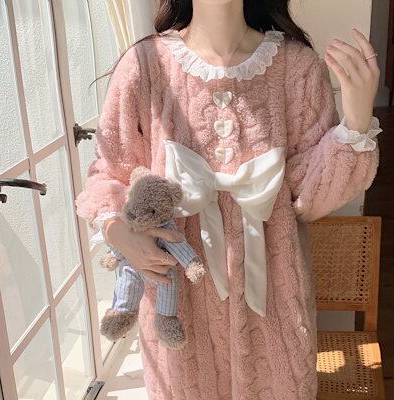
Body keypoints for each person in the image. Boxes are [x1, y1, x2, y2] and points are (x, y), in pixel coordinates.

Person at [75, 0, 382, 398]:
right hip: (179, 305)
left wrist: (355, 123)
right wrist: (117, 230)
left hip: (274, 303)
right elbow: (110, 171)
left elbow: (309, 195)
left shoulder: (297, 67)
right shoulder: (145, 64)